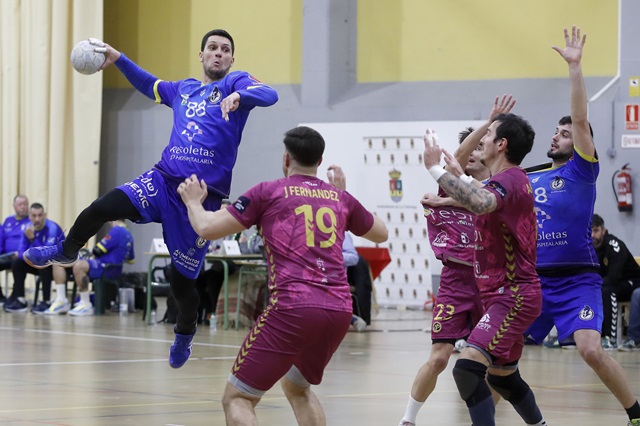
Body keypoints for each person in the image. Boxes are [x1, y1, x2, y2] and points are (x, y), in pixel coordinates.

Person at [23, 29, 278, 366]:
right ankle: (66, 250)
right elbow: (150, 85)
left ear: (232, 59)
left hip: (199, 198)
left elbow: (270, 94)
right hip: (162, 181)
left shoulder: (235, 83)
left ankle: (185, 331)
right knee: (101, 207)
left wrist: (239, 97)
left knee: (181, 284)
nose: (218, 53)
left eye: (225, 50)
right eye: (212, 48)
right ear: (201, 55)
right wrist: (118, 59)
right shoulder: (184, 89)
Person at [177, 126, 388, 425]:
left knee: (238, 398)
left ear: (286, 159)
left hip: (293, 307)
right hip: (339, 310)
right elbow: (381, 233)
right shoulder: (340, 198)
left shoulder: (268, 192)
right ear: (320, 160)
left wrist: (192, 202)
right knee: (297, 387)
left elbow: (207, 228)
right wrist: (344, 194)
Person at [524, 26, 640, 425]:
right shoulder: (529, 176)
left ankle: (636, 414)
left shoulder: (582, 171)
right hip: (535, 280)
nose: (558, 136)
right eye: (556, 132)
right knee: (498, 355)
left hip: (577, 280)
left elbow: (579, 116)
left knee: (590, 349)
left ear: (580, 141)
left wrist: (574, 68)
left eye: (566, 133)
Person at [423, 109, 545, 426]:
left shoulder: (510, 179)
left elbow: (481, 202)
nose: (483, 141)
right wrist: (447, 198)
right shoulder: (508, 180)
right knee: (504, 377)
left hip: (513, 295)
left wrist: (434, 169)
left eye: (488, 136)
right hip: (504, 294)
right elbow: (482, 196)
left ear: (501, 144)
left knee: (466, 369)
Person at [399, 95, 515, 426]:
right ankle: (407, 419)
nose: (473, 153)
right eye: (471, 147)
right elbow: (460, 157)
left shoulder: (496, 190)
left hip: (491, 282)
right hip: (455, 280)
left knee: (494, 365)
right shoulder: (450, 183)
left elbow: (481, 201)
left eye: (481, 146)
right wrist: (489, 122)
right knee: (439, 357)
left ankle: (484, 420)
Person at [4, 203, 64, 314]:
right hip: (37, 263)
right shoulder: (27, 228)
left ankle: (46, 301)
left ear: (45, 215)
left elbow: (46, 254)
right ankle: (21, 300)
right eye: (34, 216)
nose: (37, 219)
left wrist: (33, 238)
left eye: (40, 215)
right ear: (30, 216)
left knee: (44, 263)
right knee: (17, 262)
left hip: (57, 266)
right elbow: (21, 252)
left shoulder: (52, 228)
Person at [66, 219, 135, 316]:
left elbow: (98, 249)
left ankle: (85, 303)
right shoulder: (129, 234)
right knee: (77, 264)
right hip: (116, 269)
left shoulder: (117, 230)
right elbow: (131, 260)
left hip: (106, 267)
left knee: (79, 266)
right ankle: (80, 301)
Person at [591, 213, 640, 348]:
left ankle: (609, 337)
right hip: (612, 284)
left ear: (603, 230)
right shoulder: (589, 248)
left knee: (607, 291)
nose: (592, 235)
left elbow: (613, 277)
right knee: (586, 291)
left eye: (596, 230)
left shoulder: (614, 245)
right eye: (590, 231)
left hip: (632, 282)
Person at [0, 194, 30, 305]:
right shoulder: (8, 220)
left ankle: (15, 295)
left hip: (21, 256)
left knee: (18, 263)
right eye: (20, 204)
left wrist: (21, 252)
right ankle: (0, 296)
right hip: (6, 256)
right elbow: (1, 239)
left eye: (25, 204)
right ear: (14, 206)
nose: (23, 207)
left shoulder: (31, 221)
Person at [343, 231, 367, 331]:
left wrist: (333, 255)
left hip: (335, 278)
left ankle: (351, 318)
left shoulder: (343, 234)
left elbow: (354, 258)